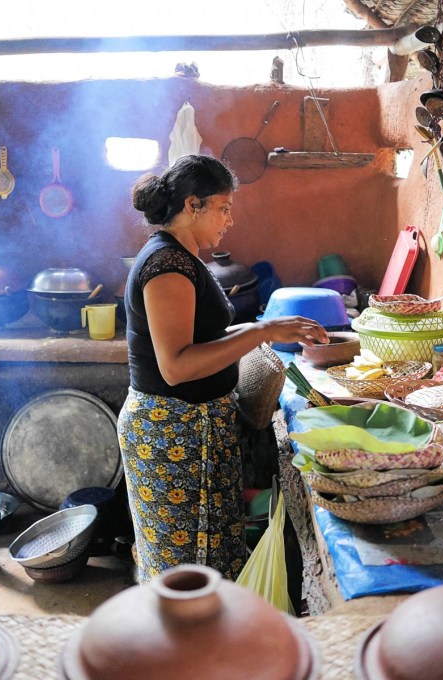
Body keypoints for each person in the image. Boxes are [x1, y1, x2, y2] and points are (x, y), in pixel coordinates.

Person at [117, 154, 329, 585]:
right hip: (171, 435)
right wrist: (262, 330)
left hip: (194, 432)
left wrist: (258, 328)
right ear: (193, 205)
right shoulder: (166, 267)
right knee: (184, 575)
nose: (230, 220)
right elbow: (176, 366)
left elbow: (203, 335)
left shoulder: (184, 258)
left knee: (208, 564)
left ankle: (206, 647)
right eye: (224, 207)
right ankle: (182, 651)